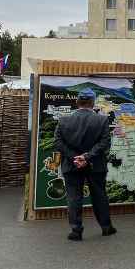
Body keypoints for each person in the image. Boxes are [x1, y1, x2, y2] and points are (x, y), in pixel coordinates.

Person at [52, 88, 116, 241]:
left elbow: (57, 142)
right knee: (99, 195)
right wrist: (86, 157)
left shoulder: (63, 120)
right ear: (93, 103)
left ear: (77, 102)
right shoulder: (102, 120)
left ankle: (76, 231)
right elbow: (104, 143)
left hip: (71, 164)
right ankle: (106, 227)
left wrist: (75, 157)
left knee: (74, 197)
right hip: (96, 164)